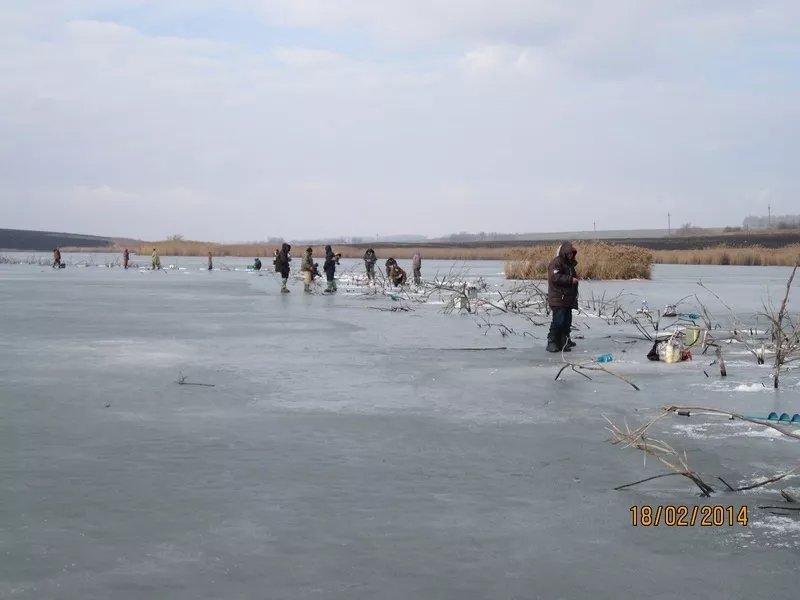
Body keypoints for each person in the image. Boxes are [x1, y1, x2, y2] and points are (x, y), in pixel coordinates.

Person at [546, 242, 579, 353]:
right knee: (558, 321)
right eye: (569, 253)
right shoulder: (556, 262)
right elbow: (555, 277)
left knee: (566, 321)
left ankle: (562, 342)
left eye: (572, 254)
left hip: (567, 299)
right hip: (558, 297)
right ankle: (551, 342)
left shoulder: (569, 264)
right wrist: (570, 280)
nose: (570, 255)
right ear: (564, 253)